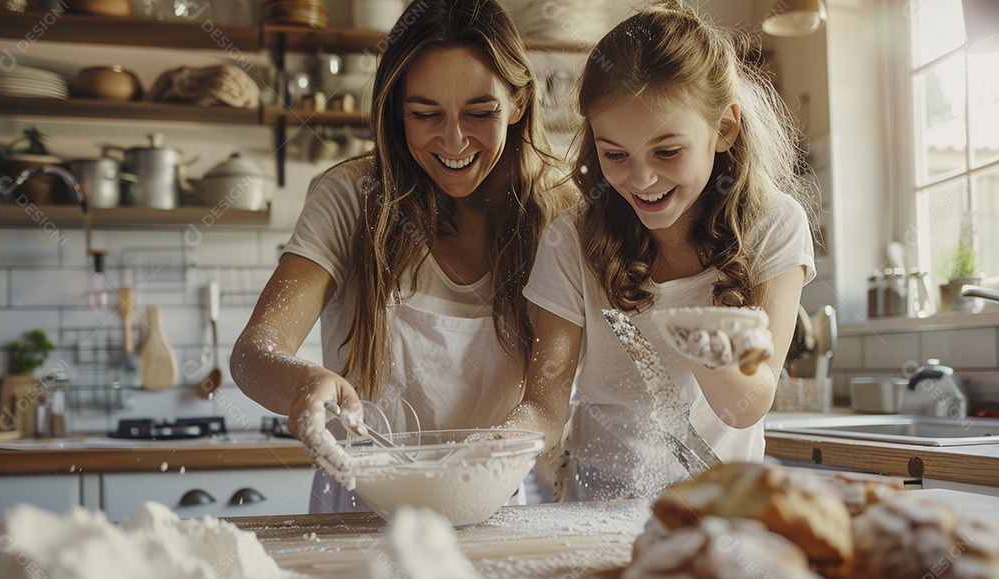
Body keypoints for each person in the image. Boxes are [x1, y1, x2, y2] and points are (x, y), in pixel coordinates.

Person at [230, 0, 570, 512]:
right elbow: (255, 352)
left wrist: (487, 453)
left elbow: (547, 404)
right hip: (360, 511)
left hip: (490, 503)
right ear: (395, 109)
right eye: (425, 114)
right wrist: (302, 383)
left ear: (519, 102)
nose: (454, 139)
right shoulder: (350, 196)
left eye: (481, 113)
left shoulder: (553, 216)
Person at [503, 0, 817, 502]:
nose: (642, 179)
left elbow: (747, 405)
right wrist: (502, 441)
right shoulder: (570, 240)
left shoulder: (774, 226)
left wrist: (694, 337)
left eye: (667, 151)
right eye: (615, 155)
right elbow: (544, 402)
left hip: (722, 512)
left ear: (725, 129)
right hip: (594, 507)